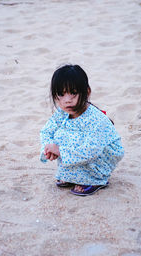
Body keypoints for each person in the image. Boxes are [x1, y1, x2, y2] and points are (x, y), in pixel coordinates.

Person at [40, 64, 124, 196]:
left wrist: (60, 150)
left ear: (87, 91)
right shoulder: (62, 113)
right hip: (81, 151)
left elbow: (91, 150)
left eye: (73, 93)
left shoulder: (96, 119)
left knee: (68, 137)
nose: (67, 100)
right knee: (60, 134)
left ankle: (95, 180)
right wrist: (49, 148)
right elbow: (46, 132)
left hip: (101, 156)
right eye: (61, 94)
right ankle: (72, 175)